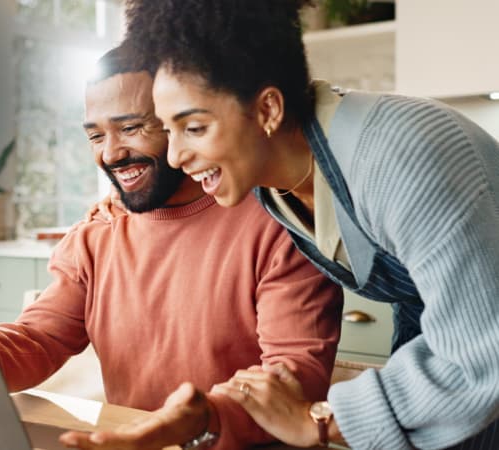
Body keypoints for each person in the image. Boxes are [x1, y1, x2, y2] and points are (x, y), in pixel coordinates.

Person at [78, 1, 499, 449]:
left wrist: (316, 422)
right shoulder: (275, 182)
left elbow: (480, 355)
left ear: (268, 110)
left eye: (194, 128)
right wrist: (126, 201)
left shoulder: (400, 156)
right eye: (168, 130)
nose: (176, 156)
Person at [0, 46, 343, 450]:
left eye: (131, 128)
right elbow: (39, 339)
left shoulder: (282, 224)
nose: (111, 154)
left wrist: (194, 421)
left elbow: (295, 375)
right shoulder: (97, 234)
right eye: (95, 136)